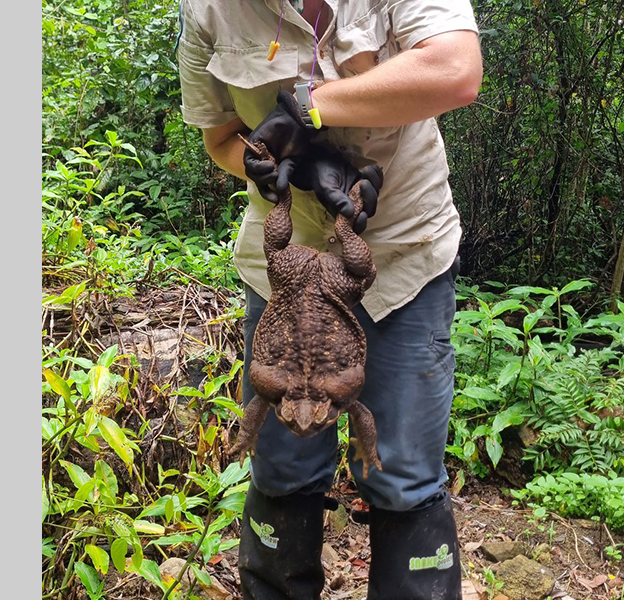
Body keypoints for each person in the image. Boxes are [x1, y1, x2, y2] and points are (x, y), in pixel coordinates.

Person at [176, 1, 482, 598]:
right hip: (285, 274)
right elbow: (220, 139)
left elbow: (455, 69)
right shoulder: (208, 9)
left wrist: (308, 111)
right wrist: (270, 165)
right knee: (283, 471)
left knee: (403, 475)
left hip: (401, 257)